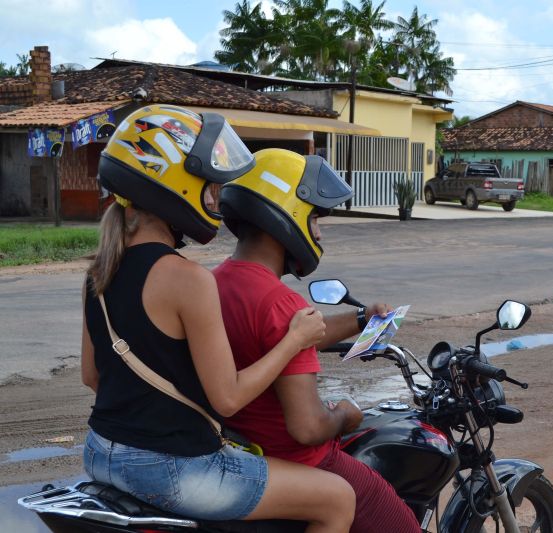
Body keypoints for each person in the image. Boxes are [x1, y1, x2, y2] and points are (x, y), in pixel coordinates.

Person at [81, 105, 355, 532]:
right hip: (170, 470)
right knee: (338, 498)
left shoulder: (99, 269)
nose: (213, 198)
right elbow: (228, 398)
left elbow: (92, 376)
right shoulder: (188, 278)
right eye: (207, 186)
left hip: (100, 452)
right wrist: (294, 338)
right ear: (172, 183)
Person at [213, 148, 421, 533]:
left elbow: (282, 336)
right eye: (314, 219)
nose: (319, 232)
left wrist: (361, 318)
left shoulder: (217, 281)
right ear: (284, 214)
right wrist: (345, 414)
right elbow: (307, 428)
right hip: (301, 460)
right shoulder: (279, 300)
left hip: (244, 451)